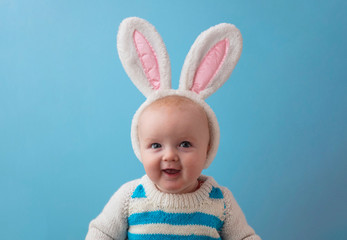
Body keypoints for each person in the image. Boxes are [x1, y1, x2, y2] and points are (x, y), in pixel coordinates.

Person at [86, 17, 261, 239]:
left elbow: (244, 237)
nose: (170, 156)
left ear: (208, 149)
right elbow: (102, 232)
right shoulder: (130, 197)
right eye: (156, 145)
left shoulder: (220, 201)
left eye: (185, 144)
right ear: (140, 149)